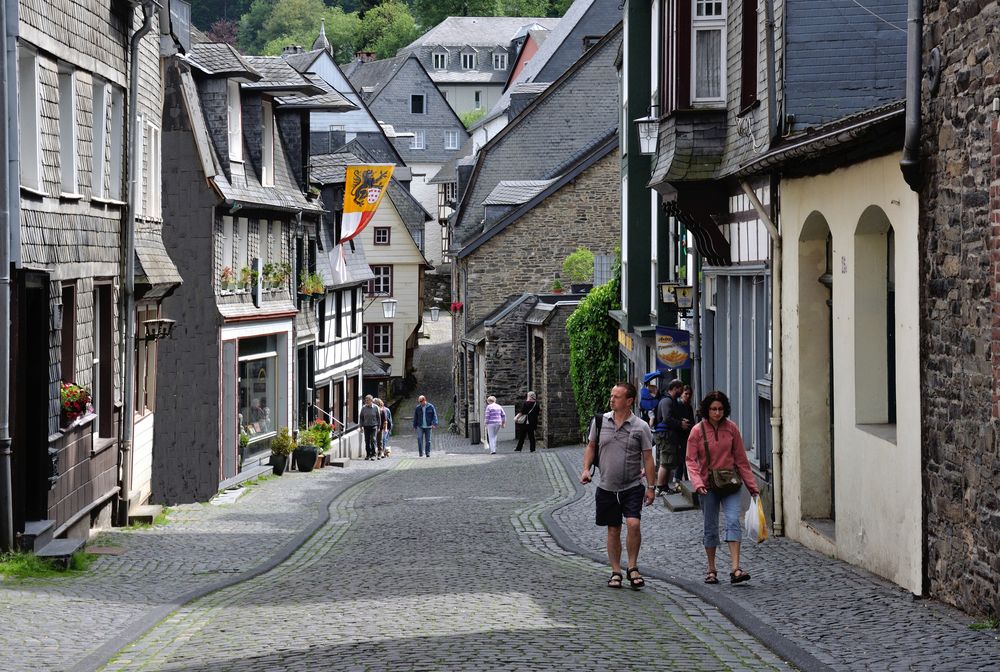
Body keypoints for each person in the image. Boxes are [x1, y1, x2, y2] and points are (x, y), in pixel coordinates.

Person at [580, 382, 656, 590]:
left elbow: (648, 459)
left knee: (633, 523)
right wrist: (586, 469)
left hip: (632, 485)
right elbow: (591, 446)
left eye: (617, 396)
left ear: (629, 401)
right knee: (613, 529)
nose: (612, 399)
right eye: (611, 396)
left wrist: (651, 486)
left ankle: (632, 567)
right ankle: (616, 570)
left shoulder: (641, 426)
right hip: (606, 486)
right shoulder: (600, 421)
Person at [686, 390, 759, 585]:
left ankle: (735, 568)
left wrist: (752, 486)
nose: (717, 413)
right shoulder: (697, 431)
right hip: (707, 486)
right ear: (706, 410)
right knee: (710, 527)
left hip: (731, 484)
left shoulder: (732, 429)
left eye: (720, 409)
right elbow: (691, 461)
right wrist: (698, 483)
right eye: (713, 409)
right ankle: (711, 569)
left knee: (733, 520)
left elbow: (742, 460)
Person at [653, 379, 690, 494]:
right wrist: (680, 424)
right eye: (680, 389)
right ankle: (659, 487)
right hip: (665, 435)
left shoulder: (670, 401)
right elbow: (667, 419)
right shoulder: (667, 401)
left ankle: (664, 486)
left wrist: (680, 420)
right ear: (675, 388)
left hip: (668, 435)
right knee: (665, 461)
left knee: (668, 462)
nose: (682, 391)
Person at [675, 385, 695, 482]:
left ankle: (686, 479)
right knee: (681, 459)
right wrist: (681, 421)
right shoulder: (678, 405)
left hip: (688, 435)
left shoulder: (689, 407)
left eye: (689, 394)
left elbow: (692, 421)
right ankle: (678, 479)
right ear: (681, 394)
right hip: (680, 435)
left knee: (686, 458)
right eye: (685, 394)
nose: (687, 396)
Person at [359, 395, 380, 460]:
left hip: (374, 426)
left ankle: (373, 454)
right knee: (367, 441)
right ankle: (368, 454)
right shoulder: (363, 408)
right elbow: (361, 417)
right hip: (366, 426)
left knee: (373, 440)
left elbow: (378, 418)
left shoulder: (376, 407)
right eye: (366, 400)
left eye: (368, 400)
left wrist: (378, 427)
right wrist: (361, 427)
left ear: (371, 400)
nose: (366, 401)